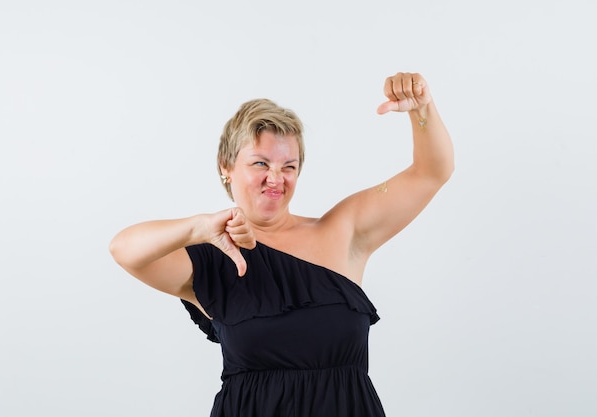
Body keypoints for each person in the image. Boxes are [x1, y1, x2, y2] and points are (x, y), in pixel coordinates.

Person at [109, 71, 454, 417]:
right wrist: (198, 227)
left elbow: (431, 172)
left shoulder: (342, 230)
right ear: (226, 167)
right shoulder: (212, 258)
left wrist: (421, 109)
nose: (275, 178)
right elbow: (123, 249)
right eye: (261, 163)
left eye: (288, 166)